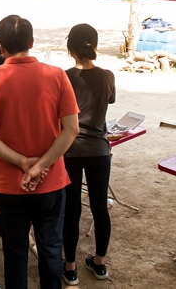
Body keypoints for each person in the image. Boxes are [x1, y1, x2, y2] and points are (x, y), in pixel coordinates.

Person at [0, 15, 80, 289]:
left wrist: (24, 163)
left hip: (10, 183)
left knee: (15, 250)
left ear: (1, 47)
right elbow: (71, 129)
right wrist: (40, 165)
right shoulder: (57, 75)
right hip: (51, 180)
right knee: (51, 248)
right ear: (32, 42)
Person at [61, 24, 116, 284]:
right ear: (94, 45)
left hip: (70, 150)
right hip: (99, 151)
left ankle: (70, 267)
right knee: (99, 208)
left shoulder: (64, 77)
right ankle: (100, 263)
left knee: (71, 210)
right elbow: (110, 101)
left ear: (70, 48)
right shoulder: (107, 76)